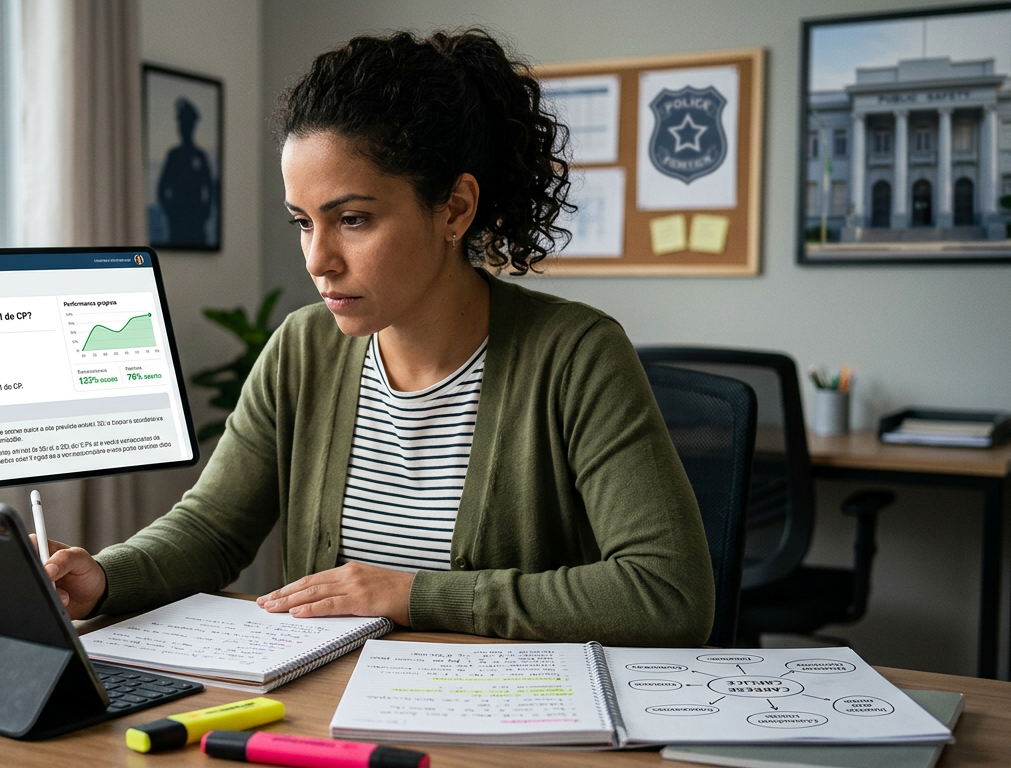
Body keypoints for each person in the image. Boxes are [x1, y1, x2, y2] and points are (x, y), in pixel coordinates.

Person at [42, 30, 714, 645]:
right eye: (302, 222)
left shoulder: (575, 355)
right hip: (320, 712)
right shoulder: (303, 349)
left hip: (501, 721)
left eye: (353, 219)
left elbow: (667, 591)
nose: (317, 258)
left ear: (454, 208)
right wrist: (106, 577)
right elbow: (212, 529)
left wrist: (411, 596)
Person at [156, 97, 216, 246]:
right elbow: (162, 187)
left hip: (196, 221)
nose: (183, 128)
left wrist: (204, 211)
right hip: (177, 220)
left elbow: (209, 186)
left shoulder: (200, 156)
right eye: (182, 124)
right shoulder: (174, 155)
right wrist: (170, 210)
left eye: (186, 124)